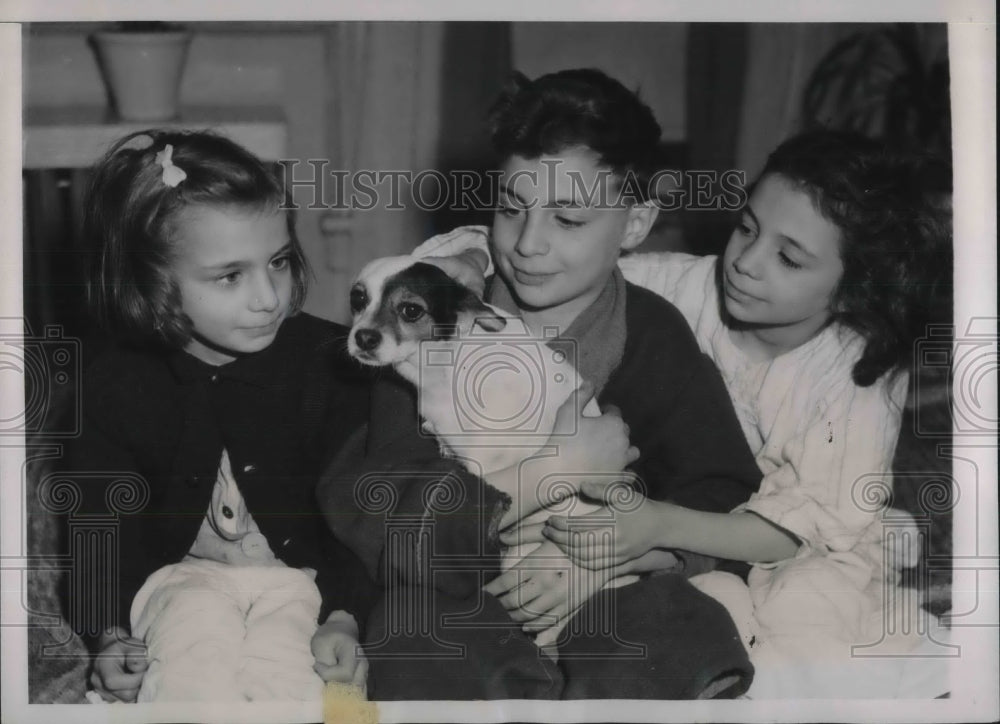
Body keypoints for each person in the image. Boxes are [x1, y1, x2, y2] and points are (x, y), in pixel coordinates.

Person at [421, 129, 953, 698]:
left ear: (854, 290)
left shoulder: (856, 376)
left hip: (795, 548)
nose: (745, 262)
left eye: (789, 258)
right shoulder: (677, 285)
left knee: (799, 647)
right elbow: (553, 263)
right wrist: (471, 258)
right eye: (747, 227)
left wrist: (653, 532)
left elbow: (796, 533)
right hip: (655, 519)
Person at [319, 68, 763, 700]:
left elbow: (720, 490)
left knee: (680, 627)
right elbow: (381, 502)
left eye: (569, 220)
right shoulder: (426, 322)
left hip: (605, 576)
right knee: (410, 630)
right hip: (467, 579)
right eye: (511, 208)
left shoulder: (653, 333)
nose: (528, 244)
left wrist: (629, 554)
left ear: (635, 224)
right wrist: (553, 471)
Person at [61, 129, 376, 702]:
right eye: (230, 275)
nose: (268, 298)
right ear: (152, 283)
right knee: (190, 659)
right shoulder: (113, 385)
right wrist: (108, 635)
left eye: (278, 262)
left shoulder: (335, 368)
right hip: (180, 579)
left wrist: (345, 616)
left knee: (290, 676)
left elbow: (359, 517)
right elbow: (97, 528)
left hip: (300, 585)